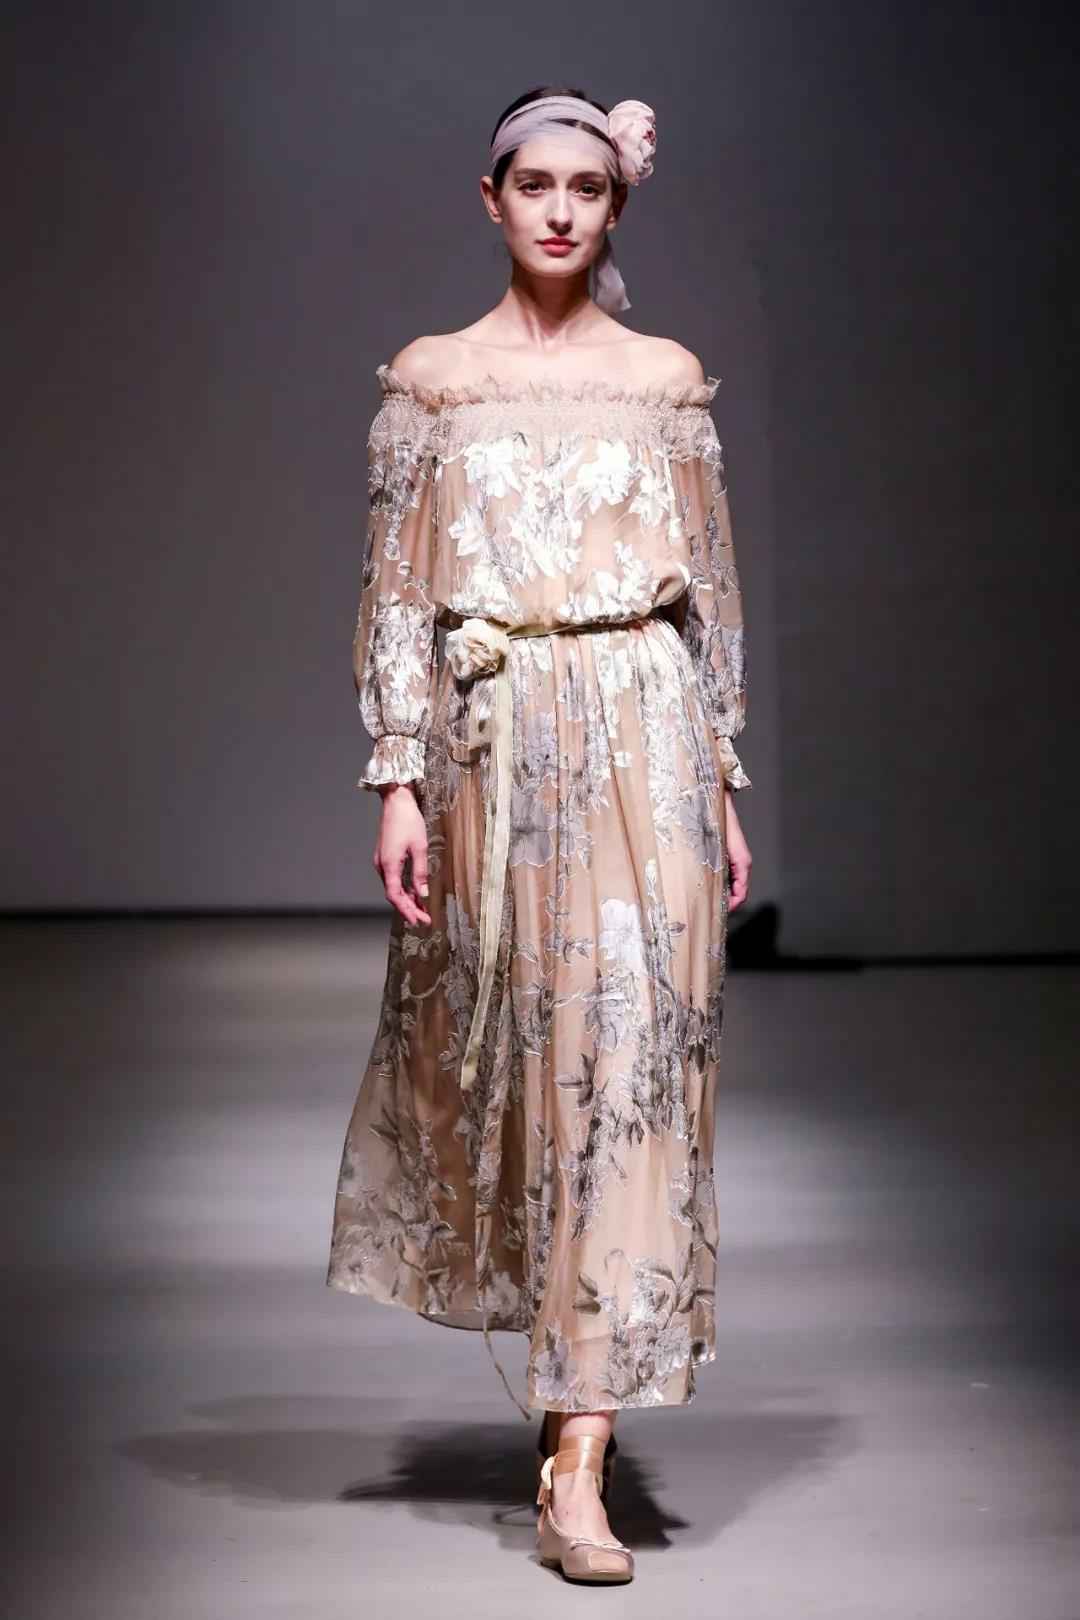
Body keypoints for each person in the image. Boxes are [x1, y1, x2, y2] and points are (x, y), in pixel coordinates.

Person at [326, 84, 753, 1585]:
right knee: (522, 1060)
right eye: (536, 184)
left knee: (632, 1065)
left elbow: (708, 593)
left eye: (588, 187)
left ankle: (581, 1456)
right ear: (491, 199)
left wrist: (721, 780)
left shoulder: (664, 380)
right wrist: (396, 774)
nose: (562, 209)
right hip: (492, 748)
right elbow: (397, 587)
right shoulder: (435, 381)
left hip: (645, 739)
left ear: (616, 204)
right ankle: (564, 1388)